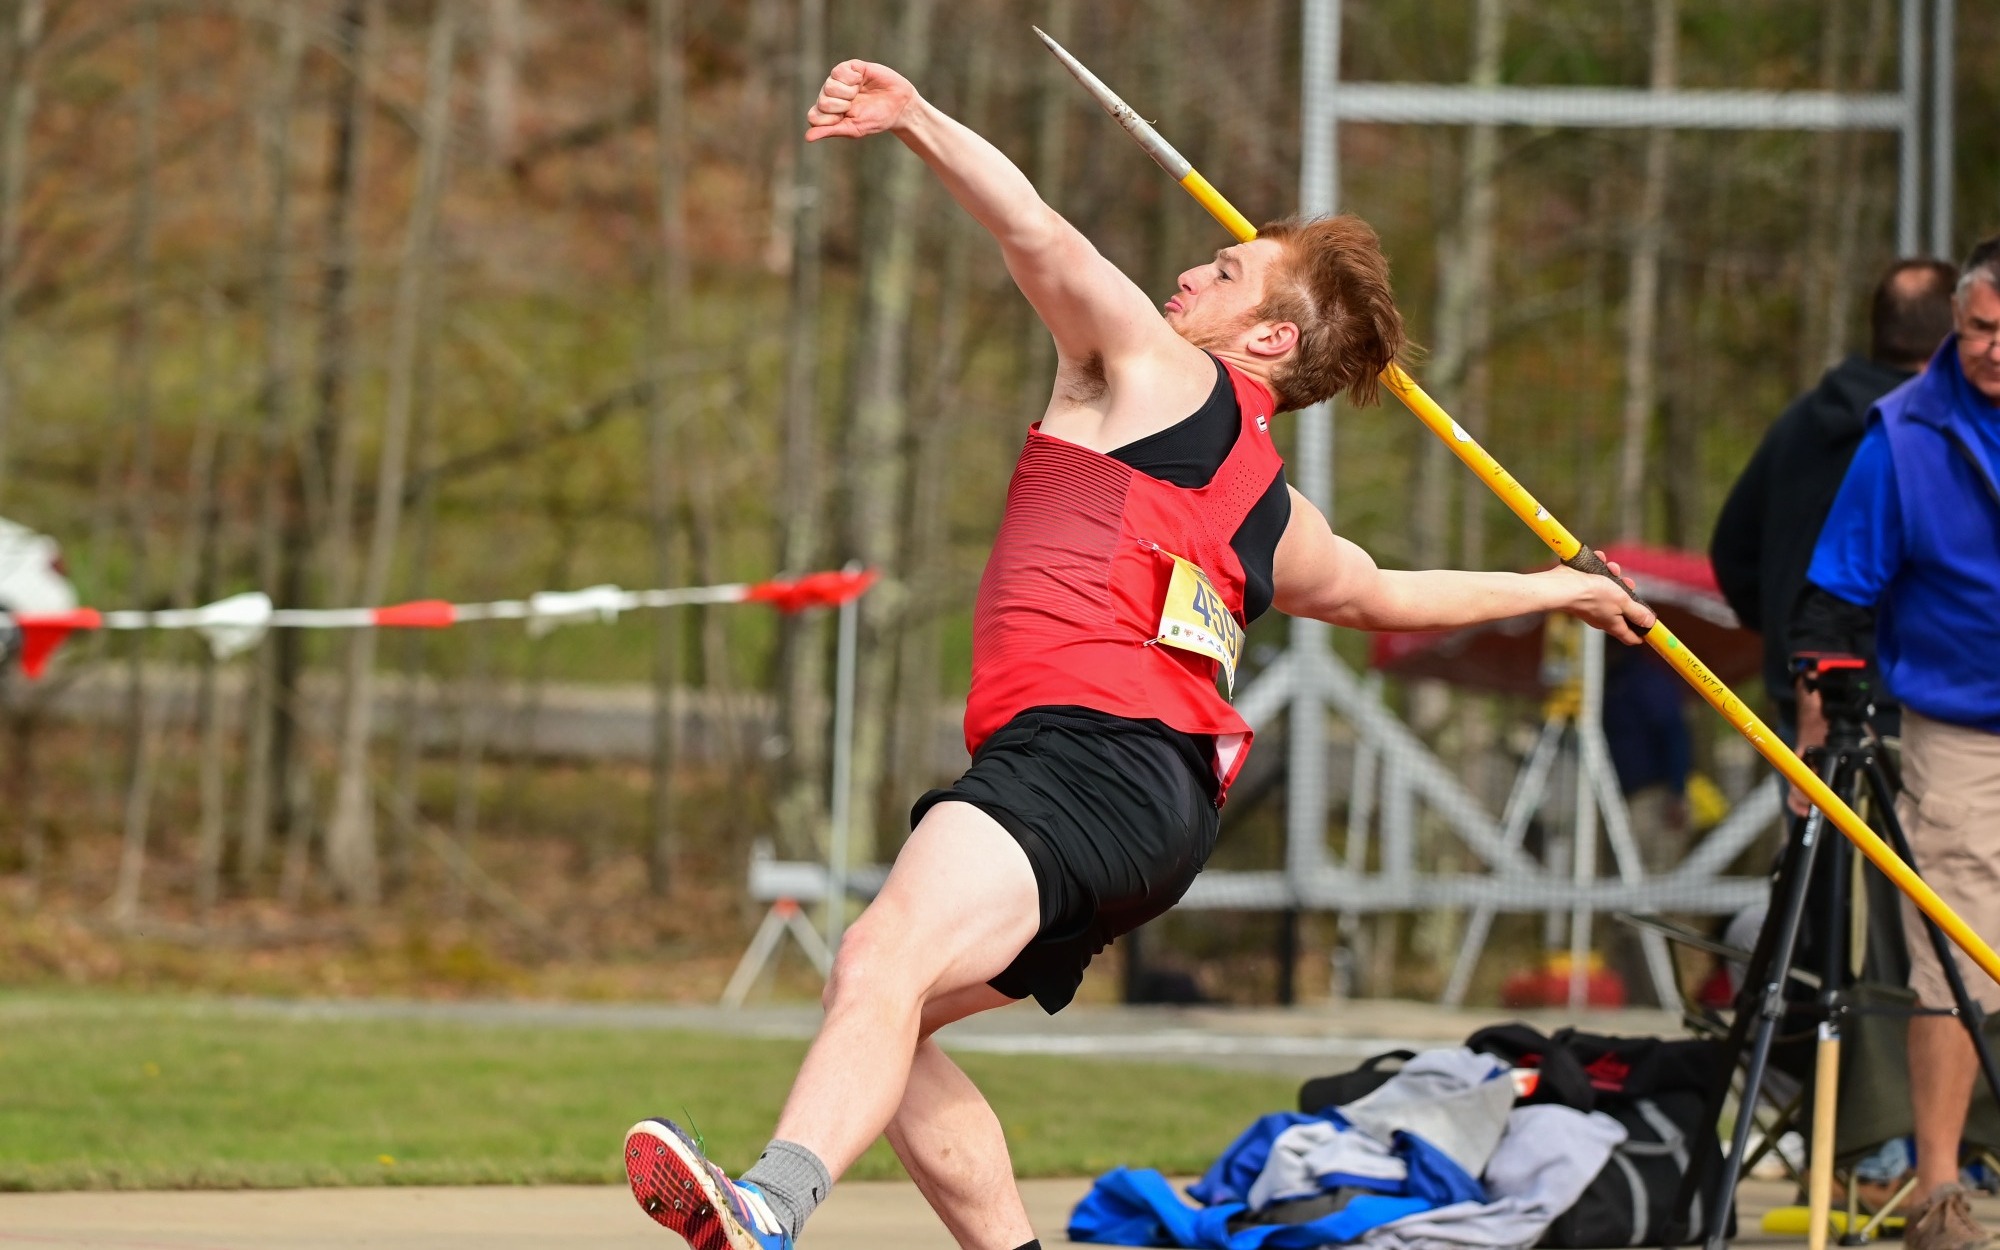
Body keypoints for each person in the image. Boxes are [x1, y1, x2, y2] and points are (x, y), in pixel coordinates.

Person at [621, 59, 1654, 1250]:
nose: (1185, 273)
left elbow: (1037, 231)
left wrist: (917, 119)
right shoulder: (1274, 509)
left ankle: (769, 1202)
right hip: (1157, 816)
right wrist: (1555, 587)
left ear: (1268, 333)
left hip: (1087, 750)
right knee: (882, 1006)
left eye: (1221, 271)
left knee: (875, 955)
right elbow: (1382, 593)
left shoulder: (1163, 377)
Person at [1789, 233, 2000, 1250]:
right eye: (1977, 329)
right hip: (1961, 726)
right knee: (1957, 955)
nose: (1992, 349)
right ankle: (1936, 1188)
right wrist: (1812, 729)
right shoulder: (1903, 432)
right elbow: (1832, 600)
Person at [1710, 258, 1958, 738]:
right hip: (1915, 705)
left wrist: (1789, 631)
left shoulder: (1800, 422)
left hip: (1806, 698)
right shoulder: (1936, 437)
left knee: (1812, 813)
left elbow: (1733, 554)